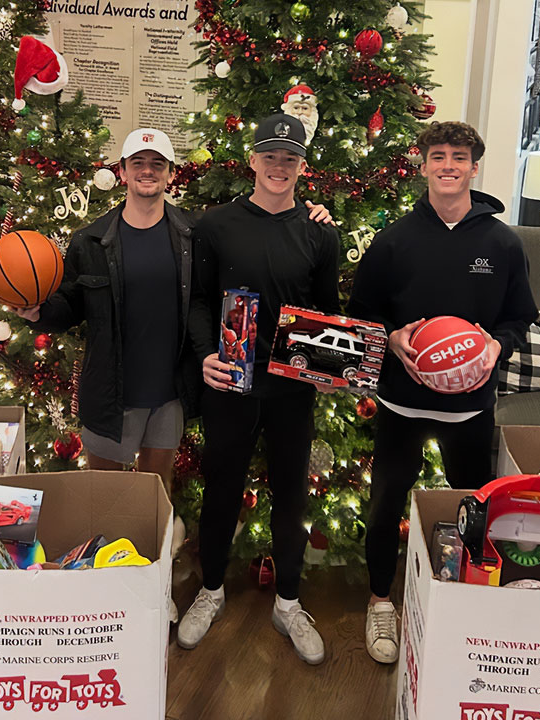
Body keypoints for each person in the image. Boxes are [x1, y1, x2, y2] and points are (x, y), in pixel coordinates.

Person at [9, 128, 332, 493]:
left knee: (155, 493)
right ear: (122, 173)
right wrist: (38, 312)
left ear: (172, 174)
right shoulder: (90, 240)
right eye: (138, 163)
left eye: (157, 164)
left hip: (169, 395)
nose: (148, 171)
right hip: (110, 395)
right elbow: (69, 305)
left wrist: (309, 215)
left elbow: (221, 285)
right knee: (103, 497)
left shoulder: (195, 233)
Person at [347, 121, 538, 664]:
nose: (448, 164)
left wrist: (496, 347)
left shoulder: (502, 242)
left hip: (470, 404)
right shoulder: (394, 240)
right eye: (438, 155)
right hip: (401, 400)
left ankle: (464, 599)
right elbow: (363, 312)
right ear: (423, 165)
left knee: (471, 503)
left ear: (475, 167)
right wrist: (392, 335)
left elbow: (519, 316)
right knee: (386, 501)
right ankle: (381, 600)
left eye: (459, 156)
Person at [178, 113, 340, 665]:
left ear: (302, 165)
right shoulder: (215, 226)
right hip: (231, 383)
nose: (279, 167)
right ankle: (211, 590)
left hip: (292, 389)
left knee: (291, 496)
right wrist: (205, 354)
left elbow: (327, 314)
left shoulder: (320, 231)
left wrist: (334, 365)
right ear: (252, 160)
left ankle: (289, 602)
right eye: (270, 156)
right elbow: (199, 300)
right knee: (221, 488)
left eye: (289, 158)